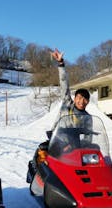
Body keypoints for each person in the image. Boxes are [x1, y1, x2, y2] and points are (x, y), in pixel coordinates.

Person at [26, 49, 92, 182]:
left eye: (85, 99)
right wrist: (61, 64)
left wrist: (85, 148)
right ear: (75, 98)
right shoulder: (67, 104)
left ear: (88, 102)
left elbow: (88, 137)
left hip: (75, 147)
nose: (81, 101)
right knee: (43, 154)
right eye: (79, 98)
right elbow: (64, 84)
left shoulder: (87, 117)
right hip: (57, 141)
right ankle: (39, 181)